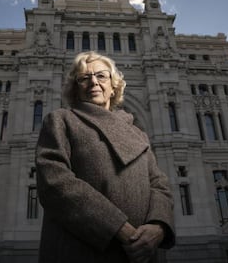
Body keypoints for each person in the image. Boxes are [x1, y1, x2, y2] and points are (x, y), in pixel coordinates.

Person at [36, 51, 175, 263]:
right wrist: (119, 228)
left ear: (113, 87)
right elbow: (55, 182)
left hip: (142, 254)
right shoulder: (60, 120)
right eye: (84, 78)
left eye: (101, 76)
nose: (93, 81)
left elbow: (159, 184)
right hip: (82, 251)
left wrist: (158, 227)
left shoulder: (138, 132)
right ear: (75, 89)